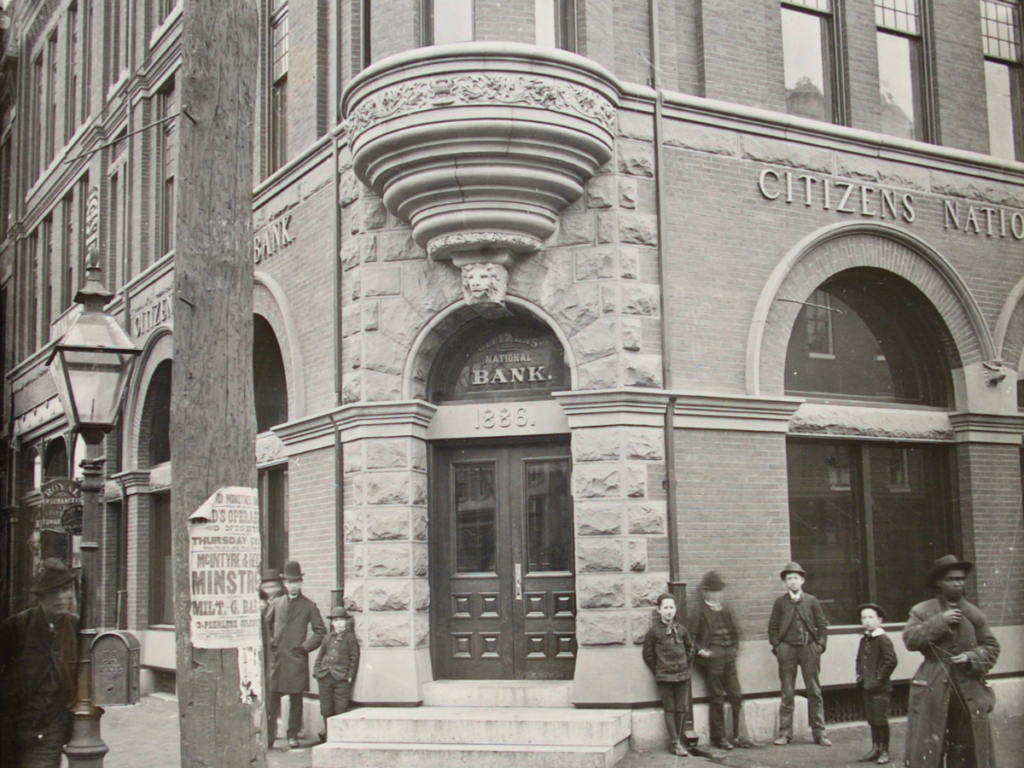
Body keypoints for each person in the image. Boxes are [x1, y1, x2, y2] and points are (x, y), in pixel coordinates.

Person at [904, 555, 999, 768]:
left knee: (965, 747)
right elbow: (910, 640)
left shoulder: (974, 614)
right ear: (939, 582)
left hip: (967, 690)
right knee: (929, 747)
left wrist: (971, 657)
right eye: (952, 579)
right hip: (932, 688)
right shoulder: (922, 610)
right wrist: (940, 621)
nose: (958, 584)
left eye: (961, 579)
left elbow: (992, 647)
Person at [0, 559, 79, 768]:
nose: (62, 597)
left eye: (65, 590)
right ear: (41, 597)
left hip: (49, 729)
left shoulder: (77, 629)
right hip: (10, 726)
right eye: (54, 592)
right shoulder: (16, 626)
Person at [768, 561, 830, 747]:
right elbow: (772, 627)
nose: (793, 582)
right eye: (789, 579)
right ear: (785, 582)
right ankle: (785, 733)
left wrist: (820, 645)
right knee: (787, 691)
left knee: (814, 691)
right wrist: (778, 646)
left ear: (802, 580)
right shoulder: (780, 602)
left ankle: (819, 734)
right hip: (787, 650)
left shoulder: (811, 601)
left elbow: (822, 625)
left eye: (796, 578)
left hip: (809, 649)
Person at [265, 560, 326, 750]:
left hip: (296, 658)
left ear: (301, 583)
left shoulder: (308, 605)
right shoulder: (276, 602)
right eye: (290, 582)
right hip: (278, 660)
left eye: (296, 582)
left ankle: (292, 735)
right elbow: (266, 625)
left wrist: (305, 648)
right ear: (285, 584)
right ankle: (270, 736)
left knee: (296, 700)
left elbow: (320, 631)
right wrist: (271, 643)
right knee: (272, 699)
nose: (293, 585)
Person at [689, 571, 752, 750]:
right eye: (714, 591)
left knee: (736, 696)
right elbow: (690, 637)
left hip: (728, 658)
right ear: (706, 592)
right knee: (716, 697)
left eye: (719, 591)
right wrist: (702, 652)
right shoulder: (699, 611)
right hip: (712, 660)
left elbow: (735, 633)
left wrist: (733, 650)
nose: (718, 594)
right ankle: (719, 738)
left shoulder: (726, 609)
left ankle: (739, 736)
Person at [643, 592, 694, 757]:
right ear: (659, 610)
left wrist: (686, 666)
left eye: (671, 607)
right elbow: (648, 654)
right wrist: (659, 668)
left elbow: (690, 649)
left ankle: (680, 740)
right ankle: (675, 742)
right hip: (665, 677)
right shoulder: (654, 632)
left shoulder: (682, 630)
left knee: (681, 709)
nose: (669, 611)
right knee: (670, 709)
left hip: (682, 677)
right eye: (665, 608)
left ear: (675, 609)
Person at [855, 603, 897, 765]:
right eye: (864, 618)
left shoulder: (883, 639)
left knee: (881, 719)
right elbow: (860, 659)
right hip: (866, 685)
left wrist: (879, 679)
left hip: (879, 687)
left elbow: (891, 661)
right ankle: (875, 748)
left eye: (870, 617)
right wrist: (860, 675)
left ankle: (885, 751)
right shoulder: (864, 639)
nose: (867, 621)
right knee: (872, 719)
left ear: (879, 620)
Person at [314, 606, 360, 743]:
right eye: (336, 620)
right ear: (332, 623)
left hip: (341, 678)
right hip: (325, 677)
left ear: (346, 622)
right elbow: (320, 655)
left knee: (341, 709)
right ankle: (328, 736)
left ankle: (340, 737)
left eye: (341, 620)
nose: (339, 623)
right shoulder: (327, 638)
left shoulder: (350, 638)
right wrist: (317, 670)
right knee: (326, 709)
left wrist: (349, 676)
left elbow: (354, 658)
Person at [259, 568, 284, 744]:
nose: (270, 591)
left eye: (273, 586)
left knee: (272, 695)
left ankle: (270, 733)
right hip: (263, 655)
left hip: (277, 654)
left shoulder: (282, 604)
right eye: (266, 587)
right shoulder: (260, 607)